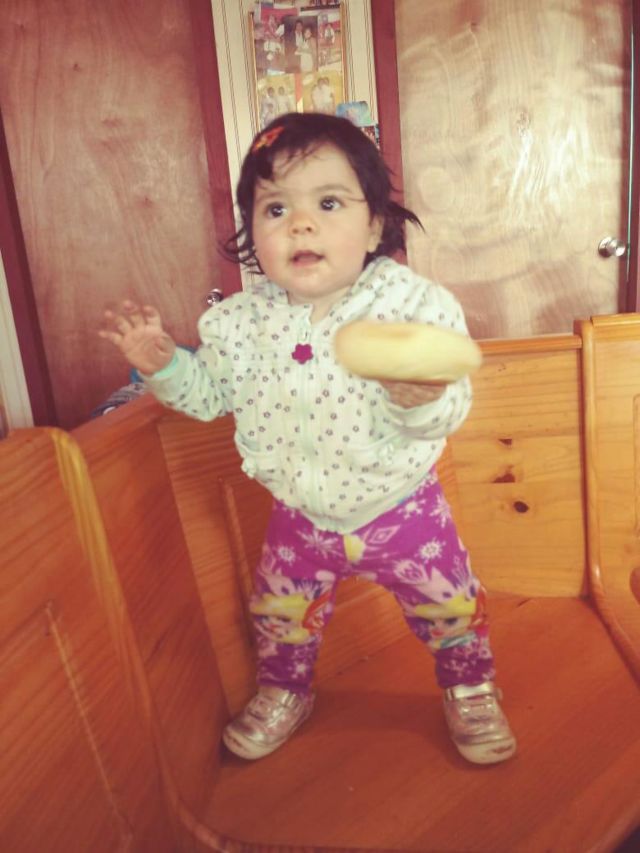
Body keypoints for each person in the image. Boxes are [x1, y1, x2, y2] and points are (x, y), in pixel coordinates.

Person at [99, 112, 517, 767]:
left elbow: (450, 407)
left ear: (374, 225)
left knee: (451, 605)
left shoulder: (410, 305)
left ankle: (470, 686)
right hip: (299, 515)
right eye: (275, 208)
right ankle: (284, 690)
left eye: (328, 203)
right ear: (251, 233)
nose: (300, 223)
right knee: (278, 614)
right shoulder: (240, 323)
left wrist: (422, 399)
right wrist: (164, 365)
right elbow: (207, 398)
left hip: (402, 506)